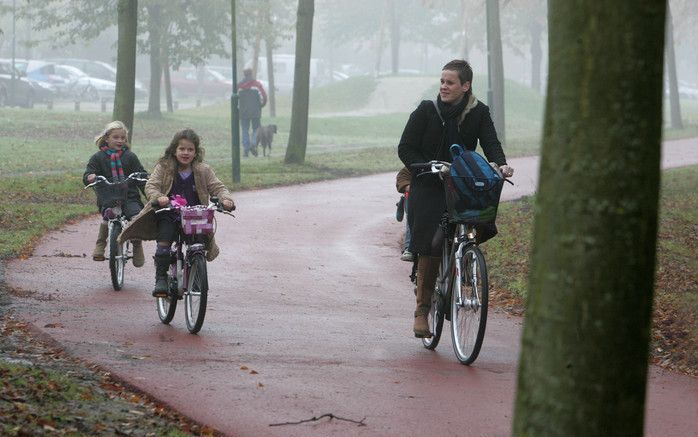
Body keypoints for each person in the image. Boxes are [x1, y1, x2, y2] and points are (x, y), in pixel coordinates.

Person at [397, 59, 514, 338]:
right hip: (428, 181)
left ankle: (465, 261)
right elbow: (405, 147)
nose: (444, 87)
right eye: (442, 81)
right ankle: (422, 311)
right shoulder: (427, 110)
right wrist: (425, 167)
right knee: (433, 243)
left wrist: (501, 164)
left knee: (477, 220)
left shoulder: (478, 112)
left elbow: (491, 143)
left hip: (460, 182)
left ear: (466, 85)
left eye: (450, 82)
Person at [117, 129, 235, 297]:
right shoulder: (164, 168)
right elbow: (151, 185)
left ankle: (195, 271)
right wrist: (159, 197)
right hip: (169, 213)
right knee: (165, 239)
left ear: (196, 152)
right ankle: (161, 278)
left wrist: (226, 199)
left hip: (194, 216)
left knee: (199, 243)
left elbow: (218, 187)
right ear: (174, 150)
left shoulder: (203, 170)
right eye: (182, 149)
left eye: (190, 149)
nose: (186, 153)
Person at [83, 120, 146, 267]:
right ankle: (100, 244)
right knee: (108, 214)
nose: (120, 141)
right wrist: (90, 177)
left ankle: (137, 245)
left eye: (123, 138)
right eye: (115, 137)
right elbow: (88, 173)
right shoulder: (98, 157)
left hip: (129, 196)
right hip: (108, 195)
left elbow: (141, 174)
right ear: (106, 138)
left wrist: (146, 184)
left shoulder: (130, 157)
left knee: (135, 217)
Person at [238, 68, 268, 158]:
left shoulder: (239, 86)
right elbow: (264, 96)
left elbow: (235, 99)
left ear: (244, 75)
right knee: (256, 129)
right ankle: (253, 144)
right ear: (251, 74)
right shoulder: (257, 85)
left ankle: (246, 149)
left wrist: (238, 109)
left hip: (243, 112)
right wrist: (262, 105)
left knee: (244, 130)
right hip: (256, 111)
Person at [395, 167, 414, 262]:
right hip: (417, 198)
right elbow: (402, 178)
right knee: (413, 215)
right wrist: (408, 187)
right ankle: (408, 247)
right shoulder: (410, 166)